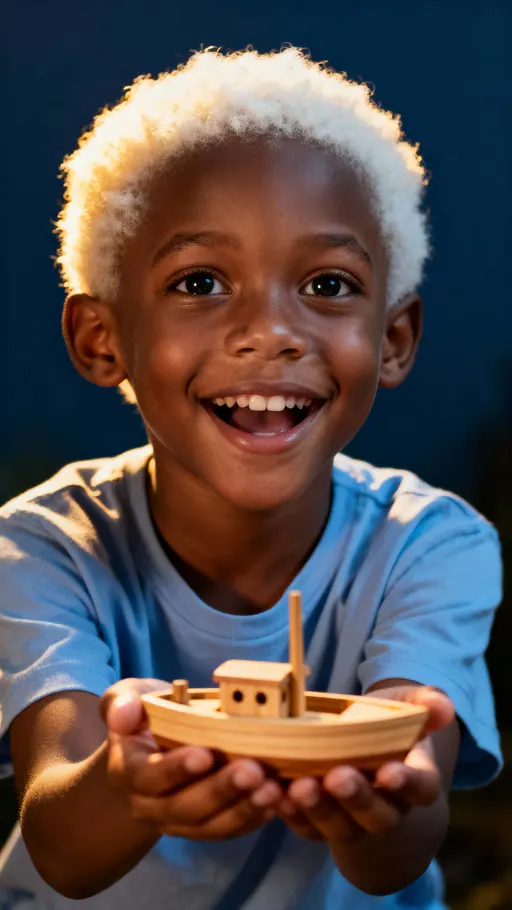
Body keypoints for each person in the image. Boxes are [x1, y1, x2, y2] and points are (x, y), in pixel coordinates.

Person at [0, 47, 502, 910]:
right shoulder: (41, 547)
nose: (270, 331)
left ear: (394, 338)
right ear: (99, 338)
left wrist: (377, 805)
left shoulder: (435, 544)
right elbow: (61, 843)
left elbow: (399, 844)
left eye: (327, 284)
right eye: (200, 282)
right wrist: (127, 785)